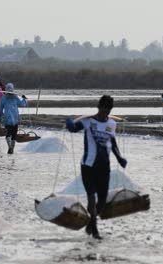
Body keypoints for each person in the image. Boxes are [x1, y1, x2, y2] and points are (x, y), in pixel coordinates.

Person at [65, 95, 128, 239]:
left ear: (110, 110)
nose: (104, 113)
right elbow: (74, 129)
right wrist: (69, 124)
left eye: (107, 110)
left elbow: (112, 143)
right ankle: (94, 230)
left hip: (104, 166)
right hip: (88, 165)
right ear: (98, 107)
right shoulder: (88, 121)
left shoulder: (111, 124)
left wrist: (119, 158)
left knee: (102, 202)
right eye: (102, 109)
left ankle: (91, 221)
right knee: (91, 197)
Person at [0, 83, 27, 154]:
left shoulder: (3, 98)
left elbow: (0, 110)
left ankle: (10, 147)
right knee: (14, 135)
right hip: (15, 119)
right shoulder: (15, 97)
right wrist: (24, 99)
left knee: (8, 134)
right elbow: (23, 105)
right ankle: (12, 149)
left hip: (7, 119)